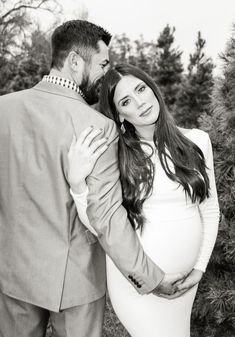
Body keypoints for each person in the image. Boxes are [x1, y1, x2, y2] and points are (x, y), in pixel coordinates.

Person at [0, 21, 186, 337]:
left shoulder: (4, 109)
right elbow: (108, 218)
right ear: (75, 61)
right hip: (77, 283)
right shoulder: (97, 126)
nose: (104, 75)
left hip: (12, 276)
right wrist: (150, 278)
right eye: (101, 64)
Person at [68, 63, 220, 337]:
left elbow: (209, 210)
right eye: (126, 101)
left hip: (186, 283)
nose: (139, 102)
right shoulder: (116, 157)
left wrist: (199, 268)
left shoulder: (198, 140)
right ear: (120, 116)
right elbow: (99, 223)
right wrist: (78, 183)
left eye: (141, 89)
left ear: (153, 89)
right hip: (138, 288)